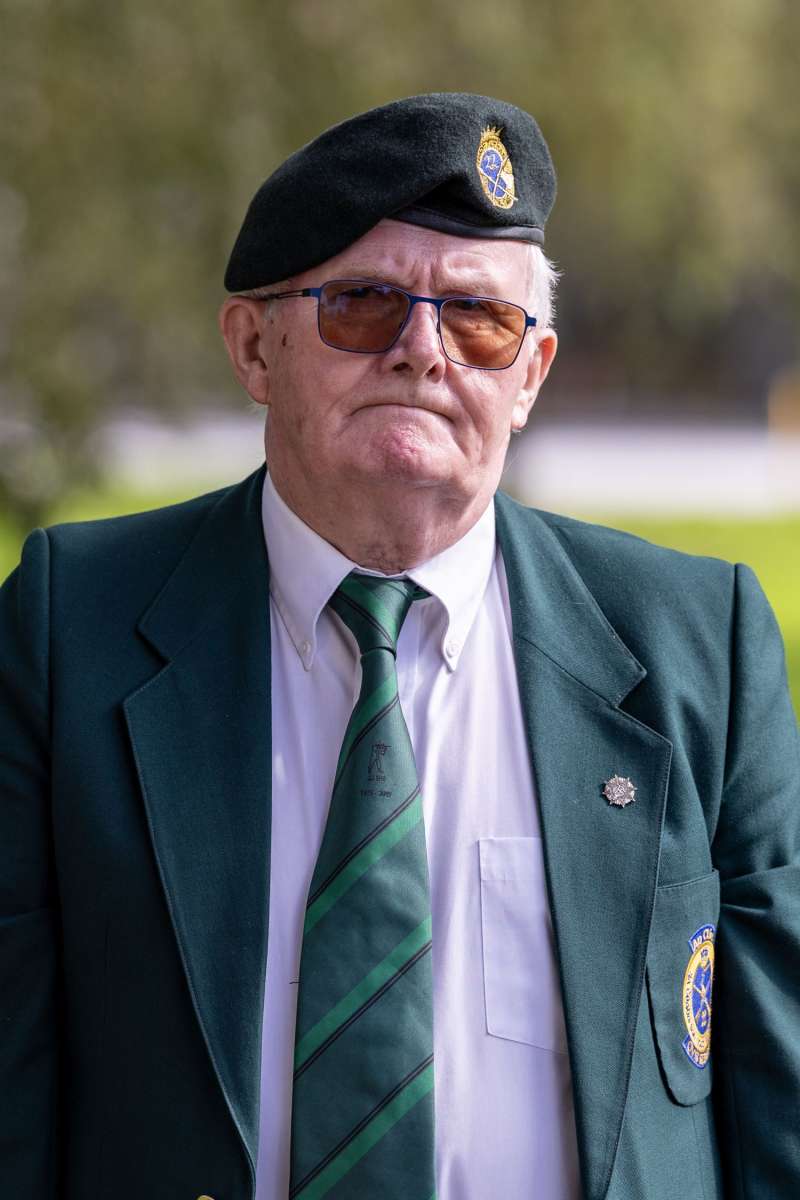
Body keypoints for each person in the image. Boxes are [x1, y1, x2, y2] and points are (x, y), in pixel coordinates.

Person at [0, 92, 798, 1200]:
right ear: (253, 347)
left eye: (479, 320)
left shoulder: (697, 641)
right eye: (365, 305)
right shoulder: (70, 629)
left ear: (529, 375)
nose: (423, 352)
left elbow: (777, 1110)